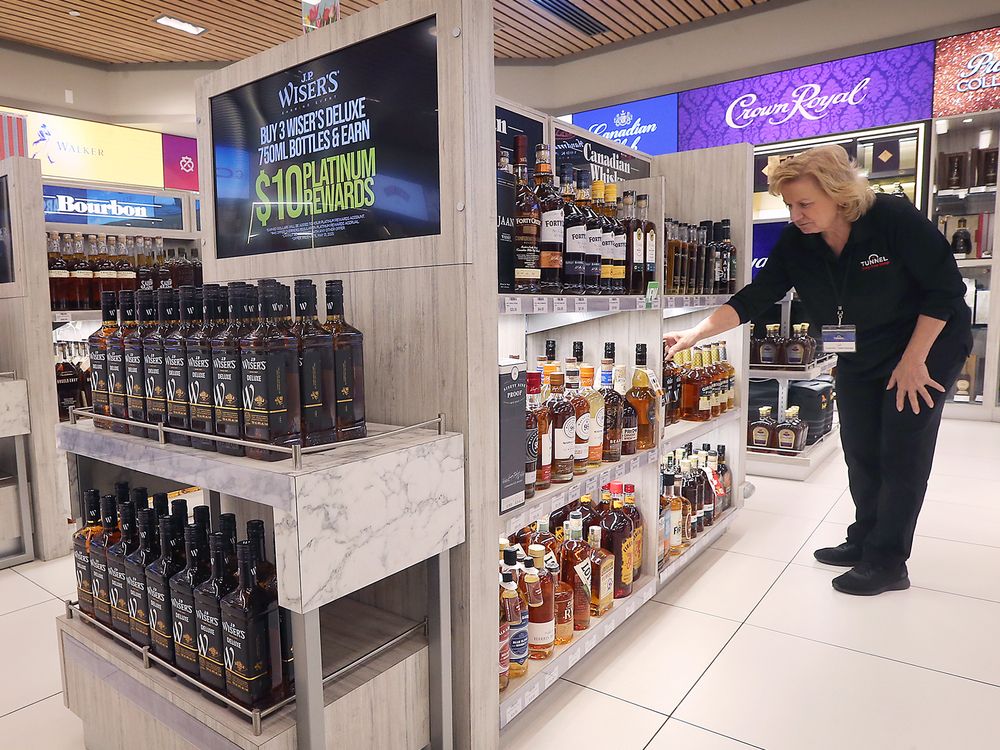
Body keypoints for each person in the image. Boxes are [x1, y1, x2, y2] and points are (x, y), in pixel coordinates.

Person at [665, 145, 972, 596]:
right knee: (860, 449)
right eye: (789, 205)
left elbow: (945, 290)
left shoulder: (892, 219)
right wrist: (696, 333)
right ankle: (864, 539)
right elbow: (757, 296)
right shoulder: (798, 242)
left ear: (839, 193)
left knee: (901, 452)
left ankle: (888, 562)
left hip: (926, 347)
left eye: (805, 204)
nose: (796, 215)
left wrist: (914, 360)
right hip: (860, 351)